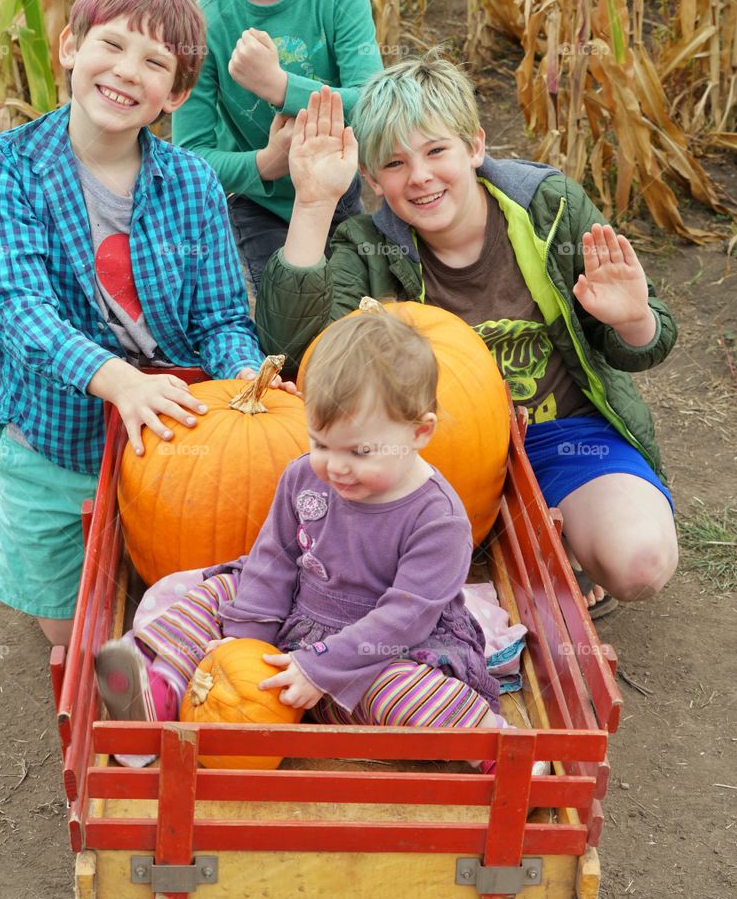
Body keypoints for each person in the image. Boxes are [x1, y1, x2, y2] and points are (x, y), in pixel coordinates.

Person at [253, 64, 680, 615]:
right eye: (395, 163)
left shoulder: (550, 209)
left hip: (562, 435)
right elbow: (294, 355)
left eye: (436, 151)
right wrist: (312, 204)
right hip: (432, 455)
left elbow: (642, 342)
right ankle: (504, 547)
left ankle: (556, 533)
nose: (420, 177)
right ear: (374, 181)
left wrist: (632, 319)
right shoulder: (364, 248)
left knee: (640, 563)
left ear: (475, 145)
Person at [96, 311, 550, 775]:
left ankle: (496, 747)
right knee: (218, 594)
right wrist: (244, 650)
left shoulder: (438, 518)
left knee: (408, 694)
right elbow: (274, 559)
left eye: (359, 451)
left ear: (420, 432)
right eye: (321, 443)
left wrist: (322, 667)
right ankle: (158, 693)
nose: (335, 467)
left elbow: (404, 618)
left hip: (378, 656)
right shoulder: (303, 477)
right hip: (294, 622)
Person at [0, 0, 274, 649]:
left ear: (177, 92)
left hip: (172, 431)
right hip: (52, 435)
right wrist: (119, 381)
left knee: (186, 598)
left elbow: (221, 318)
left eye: (155, 61)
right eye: (111, 45)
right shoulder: (8, 167)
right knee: (70, 631)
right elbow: (20, 309)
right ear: (69, 48)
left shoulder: (190, 181)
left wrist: (245, 388)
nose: (127, 71)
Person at [171, 0, 383, 291]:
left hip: (338, 187)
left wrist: (278, 87)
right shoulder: (202, 25)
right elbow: (191, 156)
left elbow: (376, 103)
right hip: (261, 206)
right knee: (289, 320)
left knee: (356, 312)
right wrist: (268, 161)